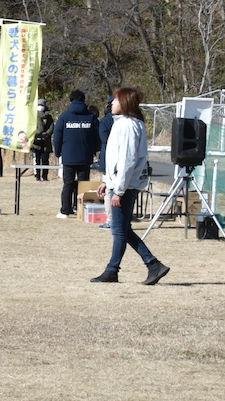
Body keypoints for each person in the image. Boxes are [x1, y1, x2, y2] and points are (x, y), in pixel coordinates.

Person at [91, 87, 170, 285]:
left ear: (124, 103)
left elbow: (127, 160)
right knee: (122, 229)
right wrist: (107, 182)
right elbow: (118, 160)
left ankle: (114, 269)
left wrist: (118, 189)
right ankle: (152, 264)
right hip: (122, 183)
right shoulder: (130, 124)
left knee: (119, 230)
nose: (112, 104)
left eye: (115, 101)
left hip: (124, 185)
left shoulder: (126, 125)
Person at [53, 90, 101, 218]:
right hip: (85, 156)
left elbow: (57, 136)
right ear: (84, 100)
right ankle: (81, 209)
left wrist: (57, 152)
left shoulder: (64, 117)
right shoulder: (91, 118)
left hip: (68, 156)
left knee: (68, 184)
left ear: (70, 100)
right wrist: (94, 151)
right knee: (83, 183)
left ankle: (65, 210)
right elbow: (98, 137)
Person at [31, 98, 54, 182]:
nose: (40, 107)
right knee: (37, 159)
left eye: (42, 105)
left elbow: (51, 127)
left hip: (46, 142)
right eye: (39, 105)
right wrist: (38, 133)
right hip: (36, 141)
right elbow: (31, 127)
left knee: (45, 160)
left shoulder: (49, 117)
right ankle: (37, 176)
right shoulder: (33, 115)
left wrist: (47, 134)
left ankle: (45, 176)